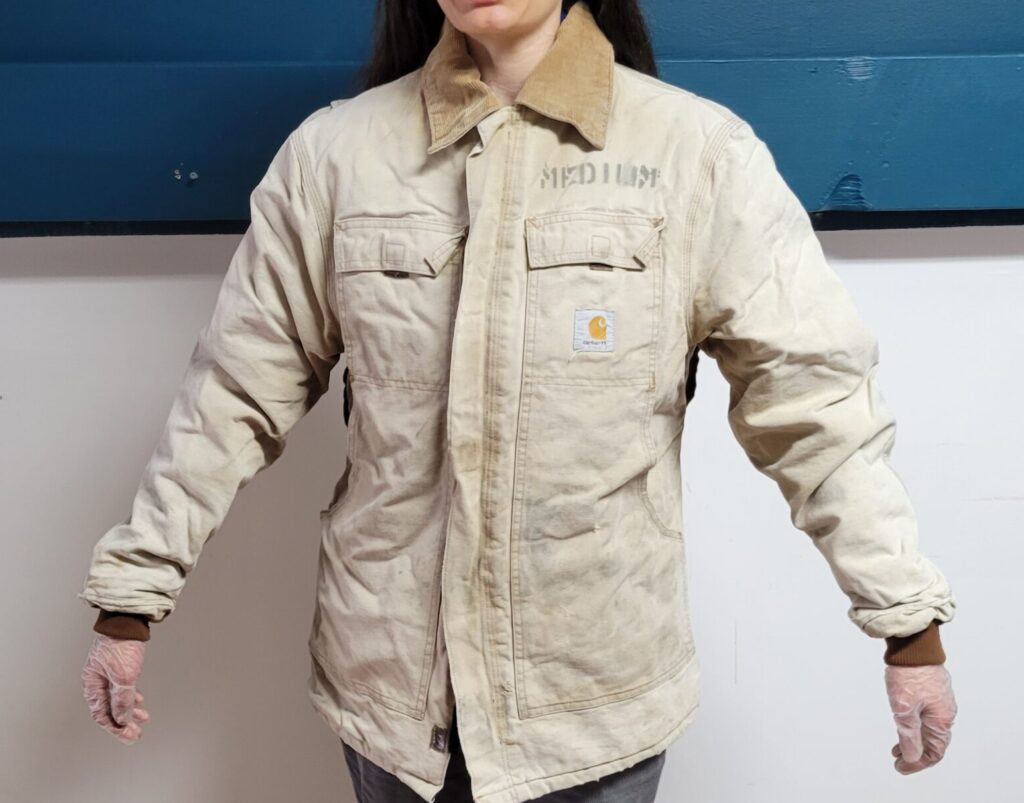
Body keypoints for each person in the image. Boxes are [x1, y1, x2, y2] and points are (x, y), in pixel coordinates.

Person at [79, 1, 959, 801]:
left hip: (594, 707)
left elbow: (813, 405)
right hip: (392, 708)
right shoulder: (336, 156)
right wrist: (132, 597)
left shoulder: (696, 155)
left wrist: (907, 624)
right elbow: (232, 391)